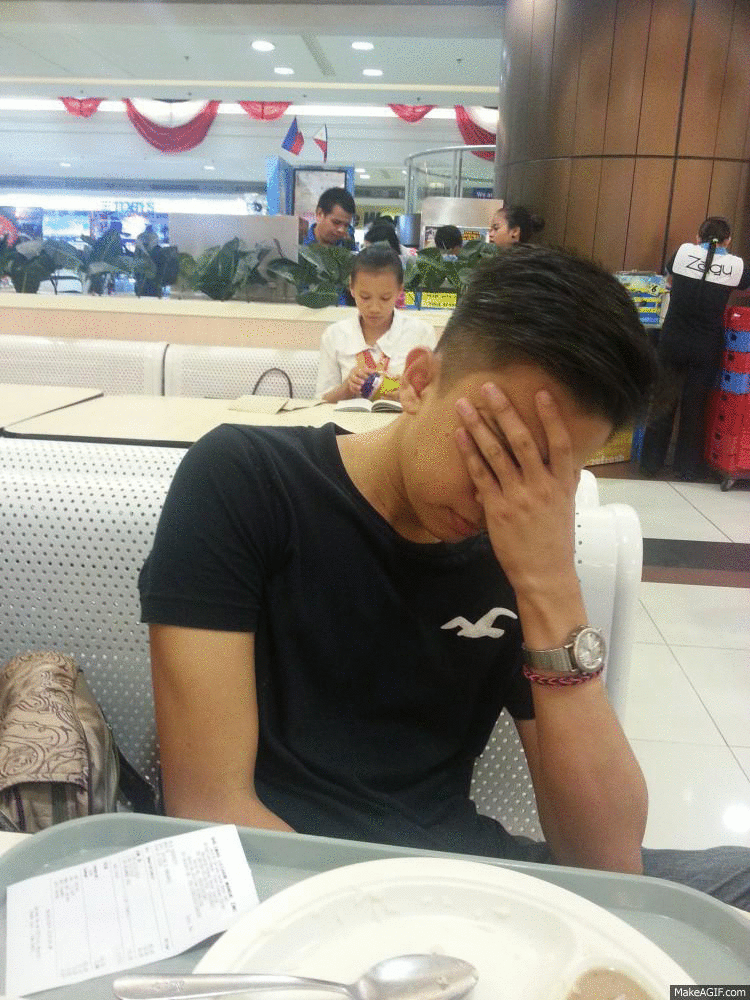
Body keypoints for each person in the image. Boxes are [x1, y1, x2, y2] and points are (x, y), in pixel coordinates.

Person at [139, 245, 750, 910]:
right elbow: (209, 808)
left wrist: (549, 587)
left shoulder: (522, 549)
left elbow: (607, 862)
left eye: (546, 473)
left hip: (463, 873)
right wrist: (412, 933)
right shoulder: (245, 482)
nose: (502, 497)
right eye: (495, 448)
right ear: (419, 382)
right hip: (290, 883)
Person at [639, 216, 750, 481]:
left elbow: (668, 279)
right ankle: (687, 468)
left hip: (672, 340)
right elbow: (745, 288)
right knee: (695, 408)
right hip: (706, 345)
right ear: (728, 241)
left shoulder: (682, 253)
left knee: (664, 401)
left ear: (698, 237)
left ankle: (651, 463)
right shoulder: (736, 265)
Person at [315, 245, 435, 402]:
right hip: (347, 418)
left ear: (400, 291)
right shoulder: (334, 335)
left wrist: (405, 396)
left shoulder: (421, 334)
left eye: (385, 298)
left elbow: (434, 398)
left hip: (400, 418)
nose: (374, 308)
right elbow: (320, 401)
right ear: (352, 288)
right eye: (365, 297)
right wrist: (347, 388)